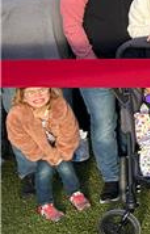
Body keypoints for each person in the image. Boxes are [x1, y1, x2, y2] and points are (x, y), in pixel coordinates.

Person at [60, 0, 147, 203]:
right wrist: (89, 60)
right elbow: (71, 25)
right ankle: (111, 177)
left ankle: (131, 170)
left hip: (130, 63)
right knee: (104, 124)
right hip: (93, 65)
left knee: (130, 122)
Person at [1, 0, 71, 197]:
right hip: (13, 71)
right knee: (22, 125)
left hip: (56, 66)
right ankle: (29, 173)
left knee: (60, 121)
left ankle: (65, 168)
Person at [6, 88, 90, 222]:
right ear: (22, 95)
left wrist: (62, 152)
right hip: (40, 150)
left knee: (65, 166)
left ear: (50, 90)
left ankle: (75, 193)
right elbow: (19, 138)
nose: (38, 96)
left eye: (42, 90)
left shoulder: (59, 105)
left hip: (61, 146)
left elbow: (70, 129)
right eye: (31, 92)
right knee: (44, 171)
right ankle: (44, 204)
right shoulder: (17, 113)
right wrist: (47, 155)